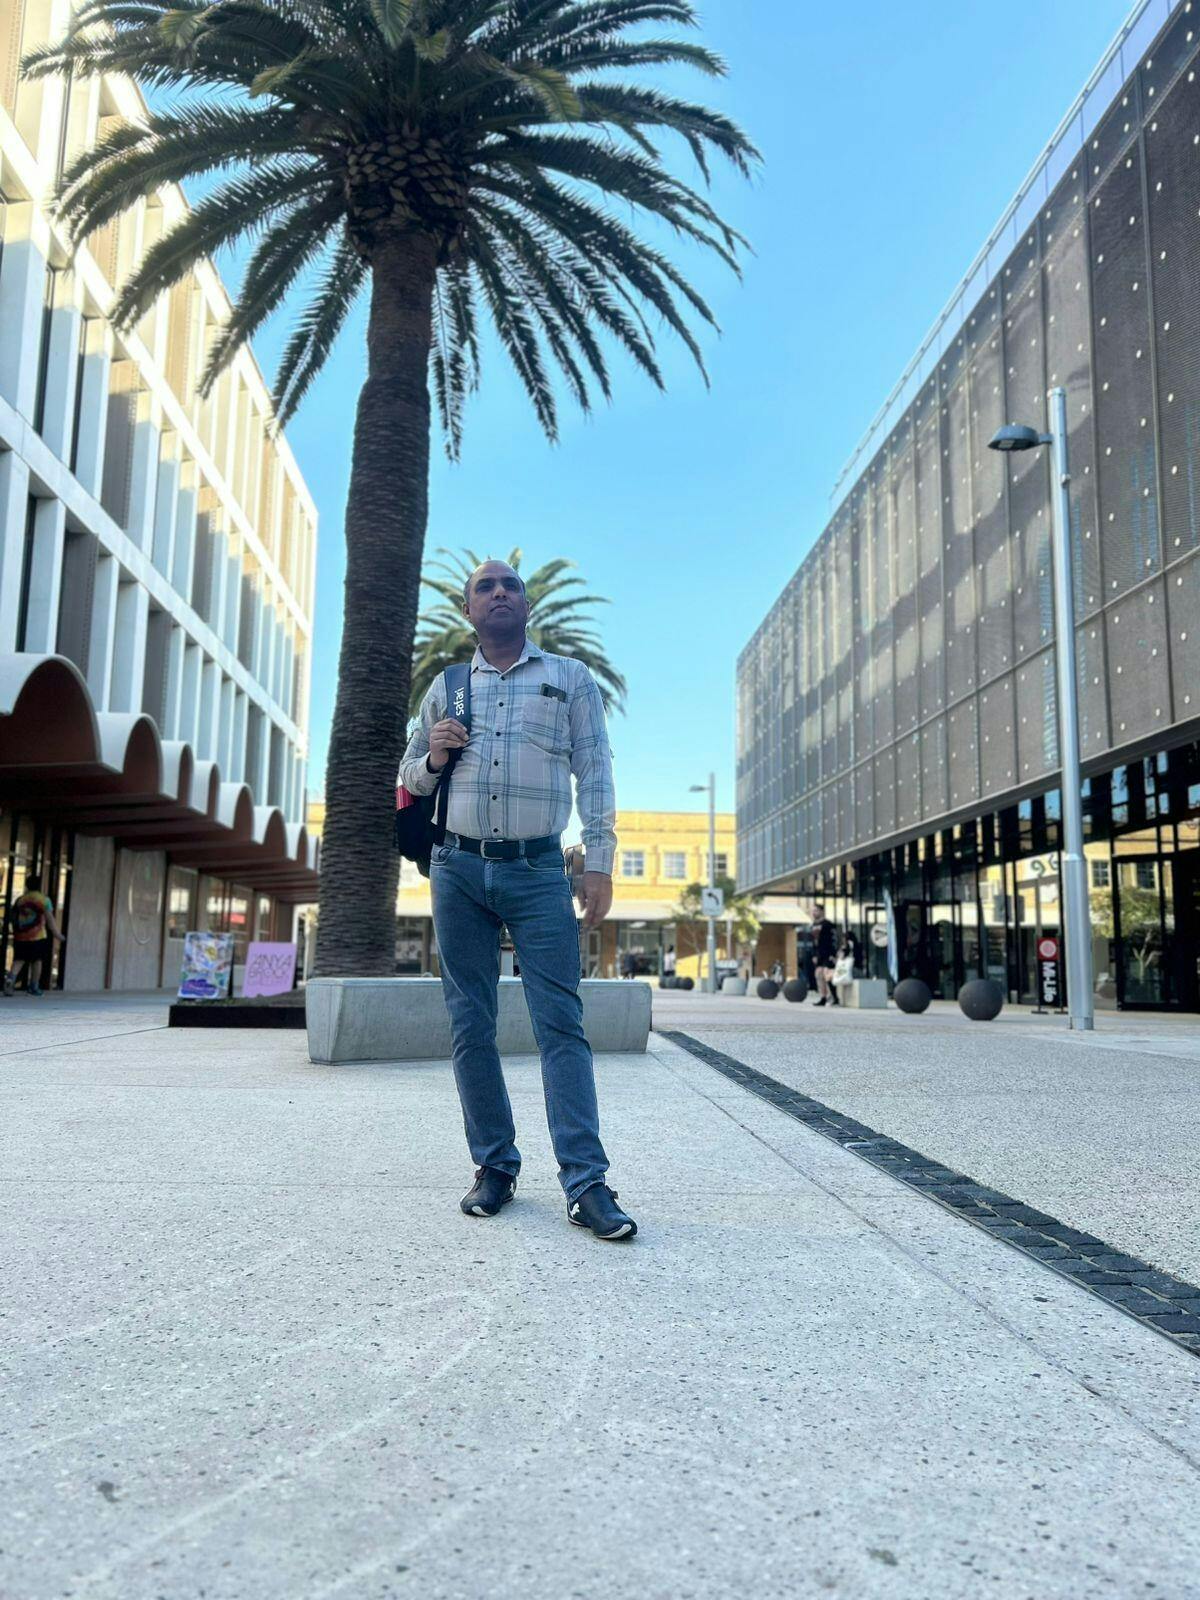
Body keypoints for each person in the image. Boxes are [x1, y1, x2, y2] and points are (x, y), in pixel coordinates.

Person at [398, 560, 635, 1242]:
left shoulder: (569, 678)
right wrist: (433, 757)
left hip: (538, 871)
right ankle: (494, 1166)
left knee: (561, 1023)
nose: (500, 593)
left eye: (510, 586)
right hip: (457, 869)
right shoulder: (448, 688)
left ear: (526, 606)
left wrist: (599, 863)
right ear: (468, 610)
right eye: (485, 587)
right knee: (470, 1023)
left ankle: (586, 1183)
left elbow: (595, 771)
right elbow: (407, 776)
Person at [5, 875, 65, 996]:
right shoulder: (43, 900)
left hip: (21, 935)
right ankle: (33, 987)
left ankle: (10, 980)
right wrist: (57, 934)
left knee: (19, 960)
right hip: (37, 936)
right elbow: (50, 919)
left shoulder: (20, 900)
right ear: (39, 885)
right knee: (37, 961)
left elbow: (13, 916)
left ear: (26, 885)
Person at [810, 902, 837, 1006]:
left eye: (816, 910)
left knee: (827, 974)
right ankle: (823, 997)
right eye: (813, 911)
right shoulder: (813, 925)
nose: (814, 913)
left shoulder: (828, 924)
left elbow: (834, 939)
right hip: (819, 954)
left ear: (822, 911)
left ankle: (834, 996)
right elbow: (813, 942)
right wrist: (814, 955)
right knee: (818, 974)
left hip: (828, 953)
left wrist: (833, 954)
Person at [832, 938, 856, 1005]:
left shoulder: (849, 954)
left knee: (831, 976)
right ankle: (836, 998)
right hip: (844, 972)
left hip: (848, 972)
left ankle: (837, 998)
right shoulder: (842, 953)